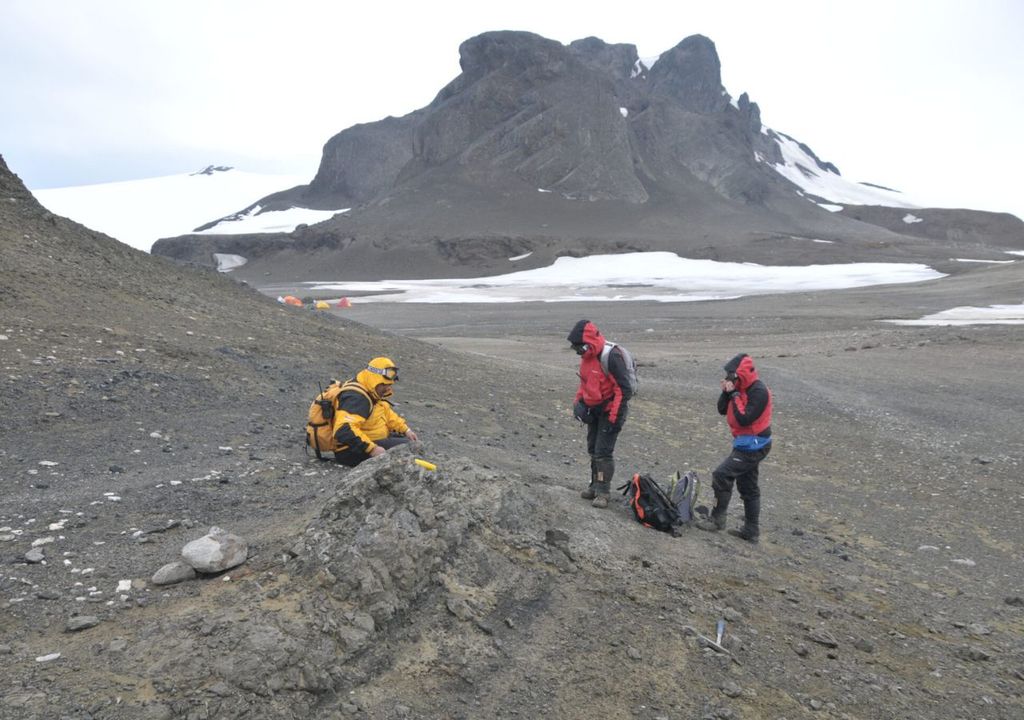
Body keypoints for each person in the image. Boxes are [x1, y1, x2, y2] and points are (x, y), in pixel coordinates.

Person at [696, 353, 773, 542]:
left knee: (722, 475)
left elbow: (745, 418)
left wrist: (734, 395)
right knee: (748, 485)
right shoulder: (740, 388)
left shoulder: (759, 391)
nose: (729, 377)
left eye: (731, 374)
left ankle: (717, 520)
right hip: (745, 442)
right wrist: (726, 392)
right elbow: (722, 409)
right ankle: (751, 531)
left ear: (741, 374)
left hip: (755, 444)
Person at [567, 319, 632, 508]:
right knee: (593, 449)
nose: (578, 352)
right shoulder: (587, 358)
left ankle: (603, 491)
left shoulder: (610, 357)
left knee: (603, 452)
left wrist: (613, 418)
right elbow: (585, 383)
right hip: (593, 411)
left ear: (588, 343)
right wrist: (578, 403)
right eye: (576, 349)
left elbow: (623, 390)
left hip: (610, 411)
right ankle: (594, 486)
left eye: (579, 348)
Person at [332, 356, 418, 467]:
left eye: (389, 384)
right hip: (350, 450)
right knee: (409, 447)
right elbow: (343, 429)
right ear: (375, 379)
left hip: (370, 439)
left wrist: (405, 429)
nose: (387, 388)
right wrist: (372, 449)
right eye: (384, 384)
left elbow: (386, 413)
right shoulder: (357, 398)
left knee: (410, 441)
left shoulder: (371, 390)